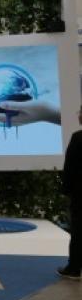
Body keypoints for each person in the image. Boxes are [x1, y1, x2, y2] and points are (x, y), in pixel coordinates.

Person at [58, 107, 82, 280]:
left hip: (80, 194)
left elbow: (70, 168)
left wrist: (66, 190)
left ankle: (74, 268)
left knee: (79, 231)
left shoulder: (78, 138)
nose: (78, 115)